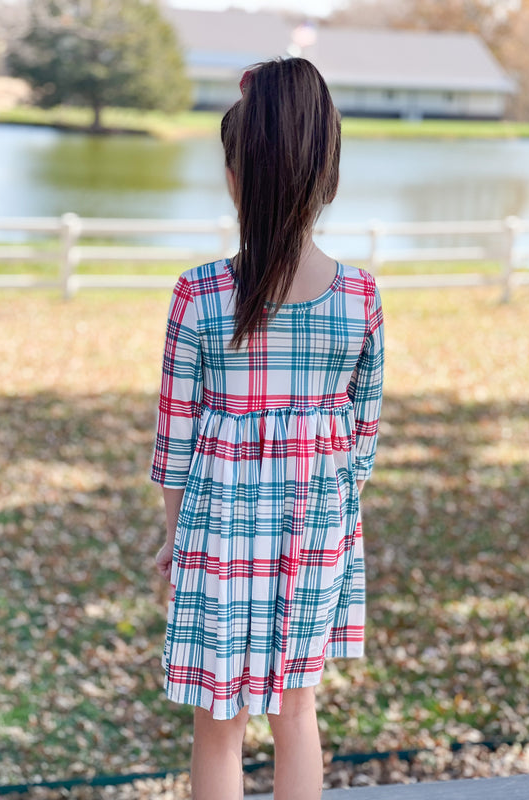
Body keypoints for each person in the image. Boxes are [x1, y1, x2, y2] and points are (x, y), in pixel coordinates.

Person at [152, 57, 384, 800]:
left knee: (218, 724)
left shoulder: (200, 295)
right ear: (328, 174)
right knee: (296, 708)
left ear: (232, 173)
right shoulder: (360, 299)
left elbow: (175, 442)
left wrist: (173, 538)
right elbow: (363, 439)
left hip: (217, 533)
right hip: (316, 532)